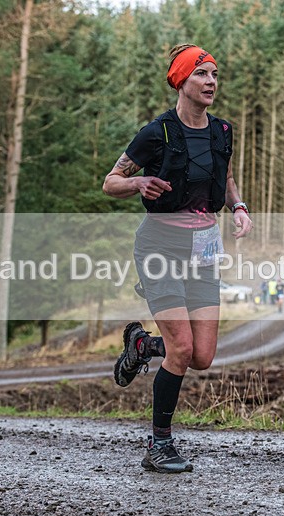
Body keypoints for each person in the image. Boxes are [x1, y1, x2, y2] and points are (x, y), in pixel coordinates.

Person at [102, 43, 253, 473]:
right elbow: (111, 181)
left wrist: (239, 208)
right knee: (182, 348)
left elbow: (225, 178)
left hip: (204, 250)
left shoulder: (222, 131)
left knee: (201, 355)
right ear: (182, 81)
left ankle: (142, 345)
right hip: (160, 248)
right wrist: (137, 183)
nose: (211, 82)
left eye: (215, 74)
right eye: (202, 74)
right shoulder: (157, 133)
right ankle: (159, 444)